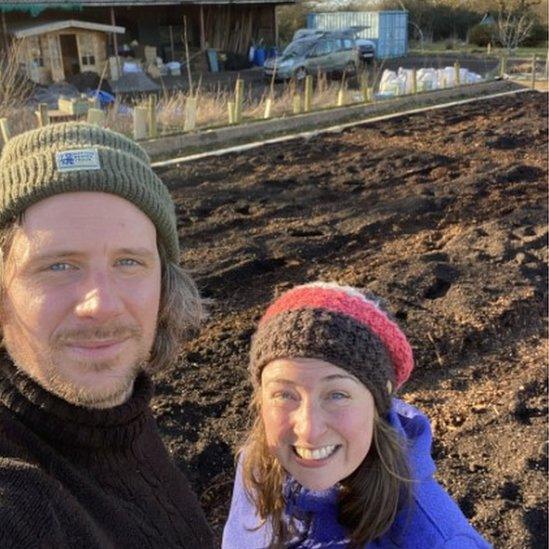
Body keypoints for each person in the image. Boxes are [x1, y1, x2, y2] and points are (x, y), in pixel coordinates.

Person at [0, 123, 214, 547]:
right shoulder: (16, 505)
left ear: (164, 284)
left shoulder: (120, 415)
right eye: (58, 266)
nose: (101, 304)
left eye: (129, 263)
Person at [223, 282, 491, 548]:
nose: (308, 431)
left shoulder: (437, 541)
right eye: (284, 395)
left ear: (378, 402)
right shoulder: (257, 465)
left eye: (337, 395)